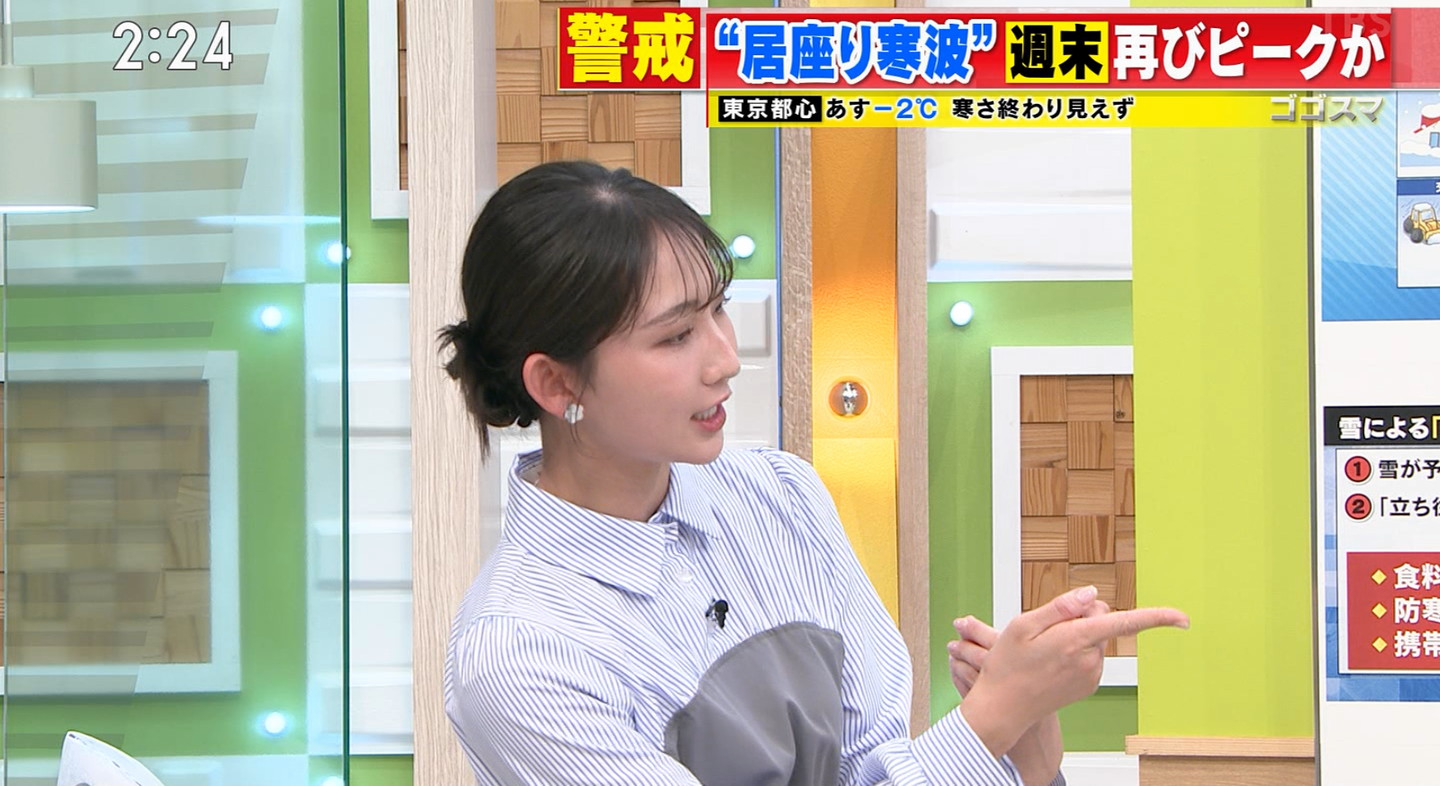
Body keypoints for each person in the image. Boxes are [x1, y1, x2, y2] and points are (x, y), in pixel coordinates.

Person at [441, 161, 1188, 786]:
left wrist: (1027, 754)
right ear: (557, 383)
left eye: (718, 310)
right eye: (675, 336)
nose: (725, 359)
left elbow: (872, 766)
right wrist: (991, 718)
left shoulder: (780, 496)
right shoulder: (518, 655)